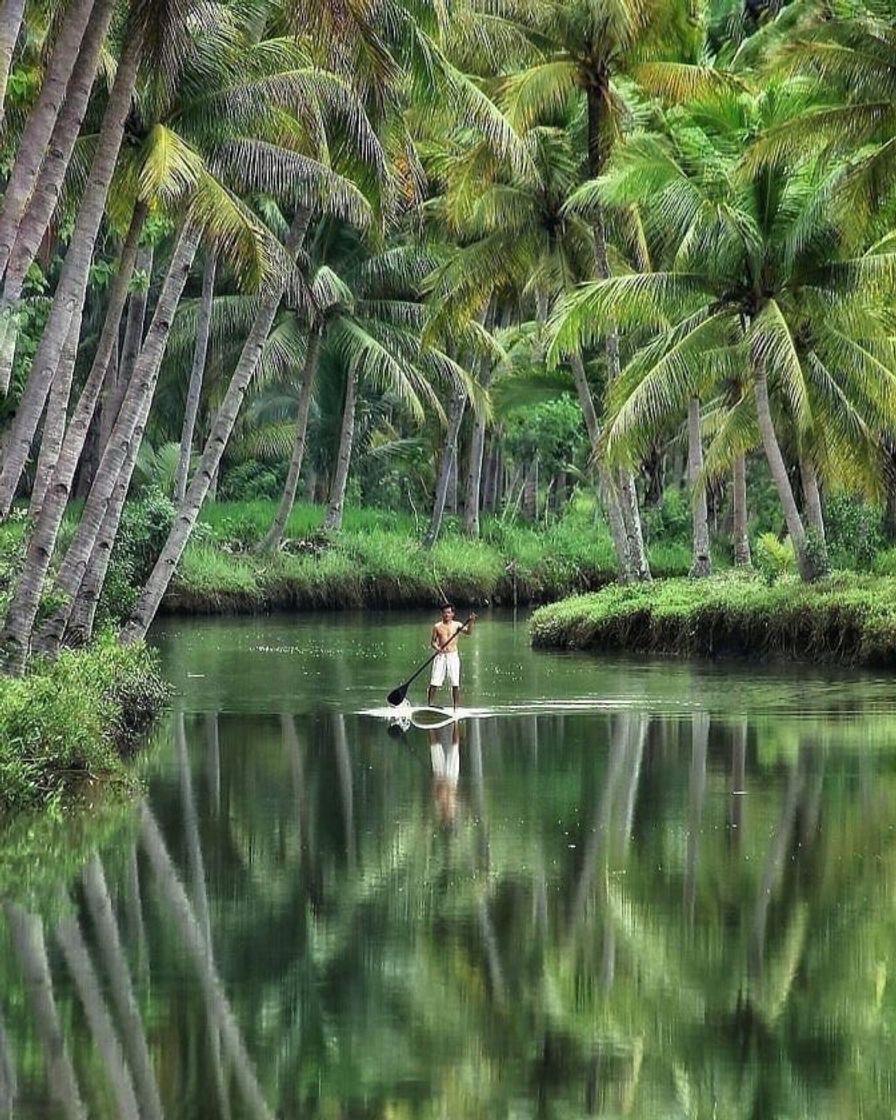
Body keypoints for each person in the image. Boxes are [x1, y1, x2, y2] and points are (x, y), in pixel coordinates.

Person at [427, 604, 475, 708]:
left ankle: (455, 706)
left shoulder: (457, 625)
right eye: (444, 612)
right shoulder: (437, 626)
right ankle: (430, 704)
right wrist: (437, 648)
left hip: (453, 656)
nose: (446, 615)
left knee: (455, 681)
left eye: (448, 612)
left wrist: (471, 622)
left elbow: (468, 632)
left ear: (453, 614)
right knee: (434, 680)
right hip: (441, 656)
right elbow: (433, 642)